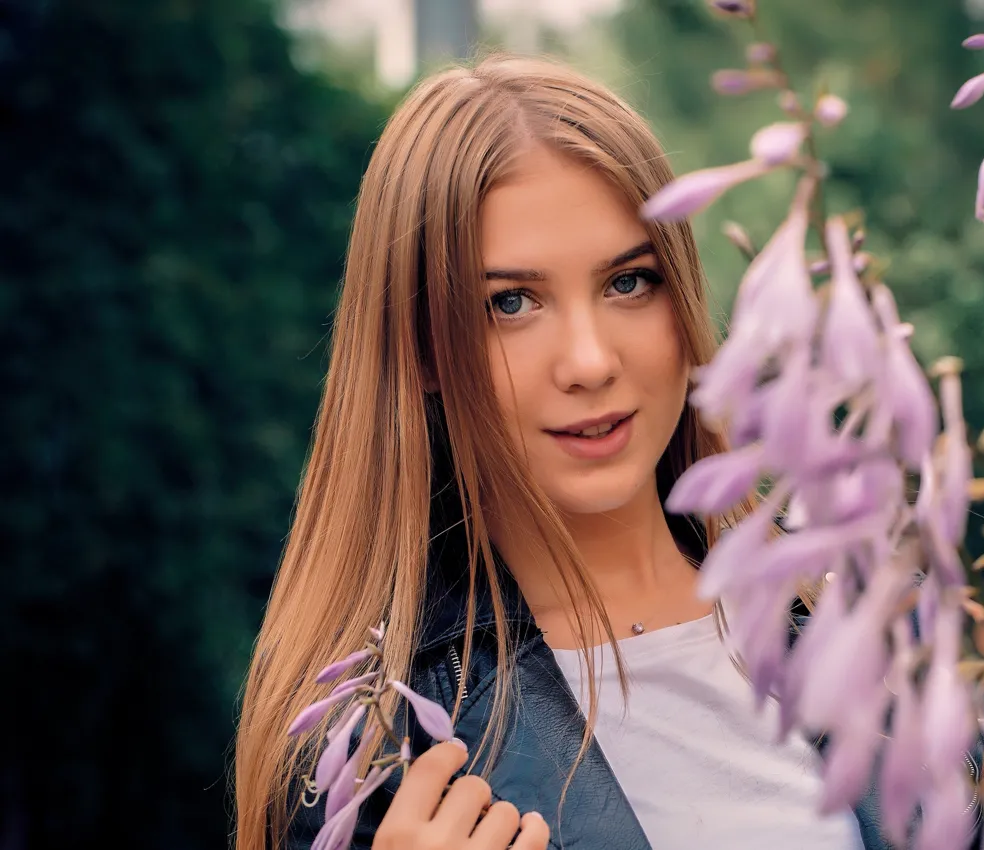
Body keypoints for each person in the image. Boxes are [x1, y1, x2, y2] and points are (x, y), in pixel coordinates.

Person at [233, 53, 881, 850]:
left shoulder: (860, 618)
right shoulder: (374, 751)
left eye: (628, 283)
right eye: (510, 303)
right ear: (425, 348)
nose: (590, 362)